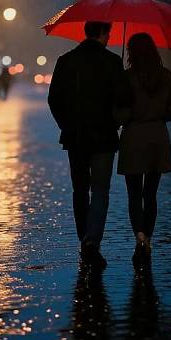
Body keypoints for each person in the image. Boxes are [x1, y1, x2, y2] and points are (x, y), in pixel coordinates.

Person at [48, 21, 130, 268]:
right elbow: (123, 100)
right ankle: (92, 240)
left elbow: (54, 99)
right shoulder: (113, 62)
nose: (109, 39)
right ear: (103, 33)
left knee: (80, 189)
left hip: (76, 137)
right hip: (104, 137)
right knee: (101, 190)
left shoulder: (66, 60)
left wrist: (67, 124)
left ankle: (83, 237)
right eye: (108, 34)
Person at [116, 33, 171, 267]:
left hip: (133, 138)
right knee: (150, 194)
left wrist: (127, 115)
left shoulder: (127, 77)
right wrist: (157, 113)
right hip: (157, 139)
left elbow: (120, 114)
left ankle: (139, 237)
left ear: (131, 52)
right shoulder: (166, 76)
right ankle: (148, 239)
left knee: (134, 194)